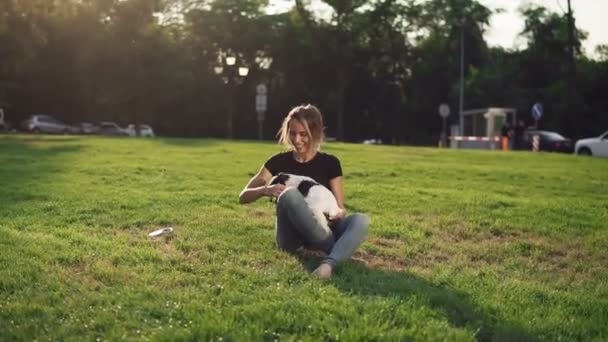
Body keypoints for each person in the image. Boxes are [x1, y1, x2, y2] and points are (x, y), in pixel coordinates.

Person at [239, 104, 369, 279]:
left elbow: (340, 207)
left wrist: (339, 213)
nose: (297, 139)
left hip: (322, 230)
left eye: (303, 134)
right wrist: (265, 190)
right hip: (291, 238)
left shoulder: (331, 163)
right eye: (292, 133)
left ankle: (328, 265)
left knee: (361, 220)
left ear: (315, 134)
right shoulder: (277, 162)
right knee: (290, 194)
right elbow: (243, 196)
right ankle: (340, 250)